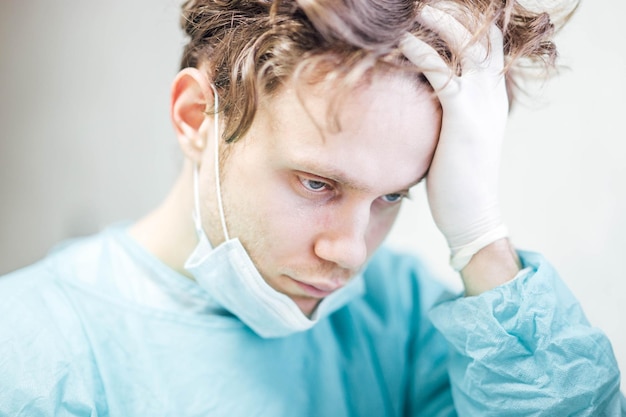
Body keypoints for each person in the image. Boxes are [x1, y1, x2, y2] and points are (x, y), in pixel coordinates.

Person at [0, 0, 623, 415]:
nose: (349, 253)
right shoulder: (35, 349)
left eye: (391, 197)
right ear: (196, 117)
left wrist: (479, 235)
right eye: (317, 184)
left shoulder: (398, 319)